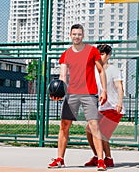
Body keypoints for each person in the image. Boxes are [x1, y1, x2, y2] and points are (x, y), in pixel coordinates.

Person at [48, 24, 108, 171]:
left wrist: (104, 90)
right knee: (64, 126)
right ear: (70, 35)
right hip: (72, 94)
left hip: (89, 93)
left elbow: (101, 71)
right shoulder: (66, 54)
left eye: (79, 34)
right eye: (74, 34)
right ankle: (60, 159)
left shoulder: (92, 51)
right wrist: (57, 93)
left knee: (94, 126)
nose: (77, 36)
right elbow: (62, 76)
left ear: (83, 35)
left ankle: (101, 160)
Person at [84, 44, 124, 168]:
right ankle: (97, 156)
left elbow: (119, 87)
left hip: (113, 107)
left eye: (102, 54)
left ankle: (108, 158)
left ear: (108, 56)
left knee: (101, 133)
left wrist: (120, 102)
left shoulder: (113, 70)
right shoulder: (94, 70)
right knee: (89, 130)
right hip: (100, 107)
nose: (99, 56)